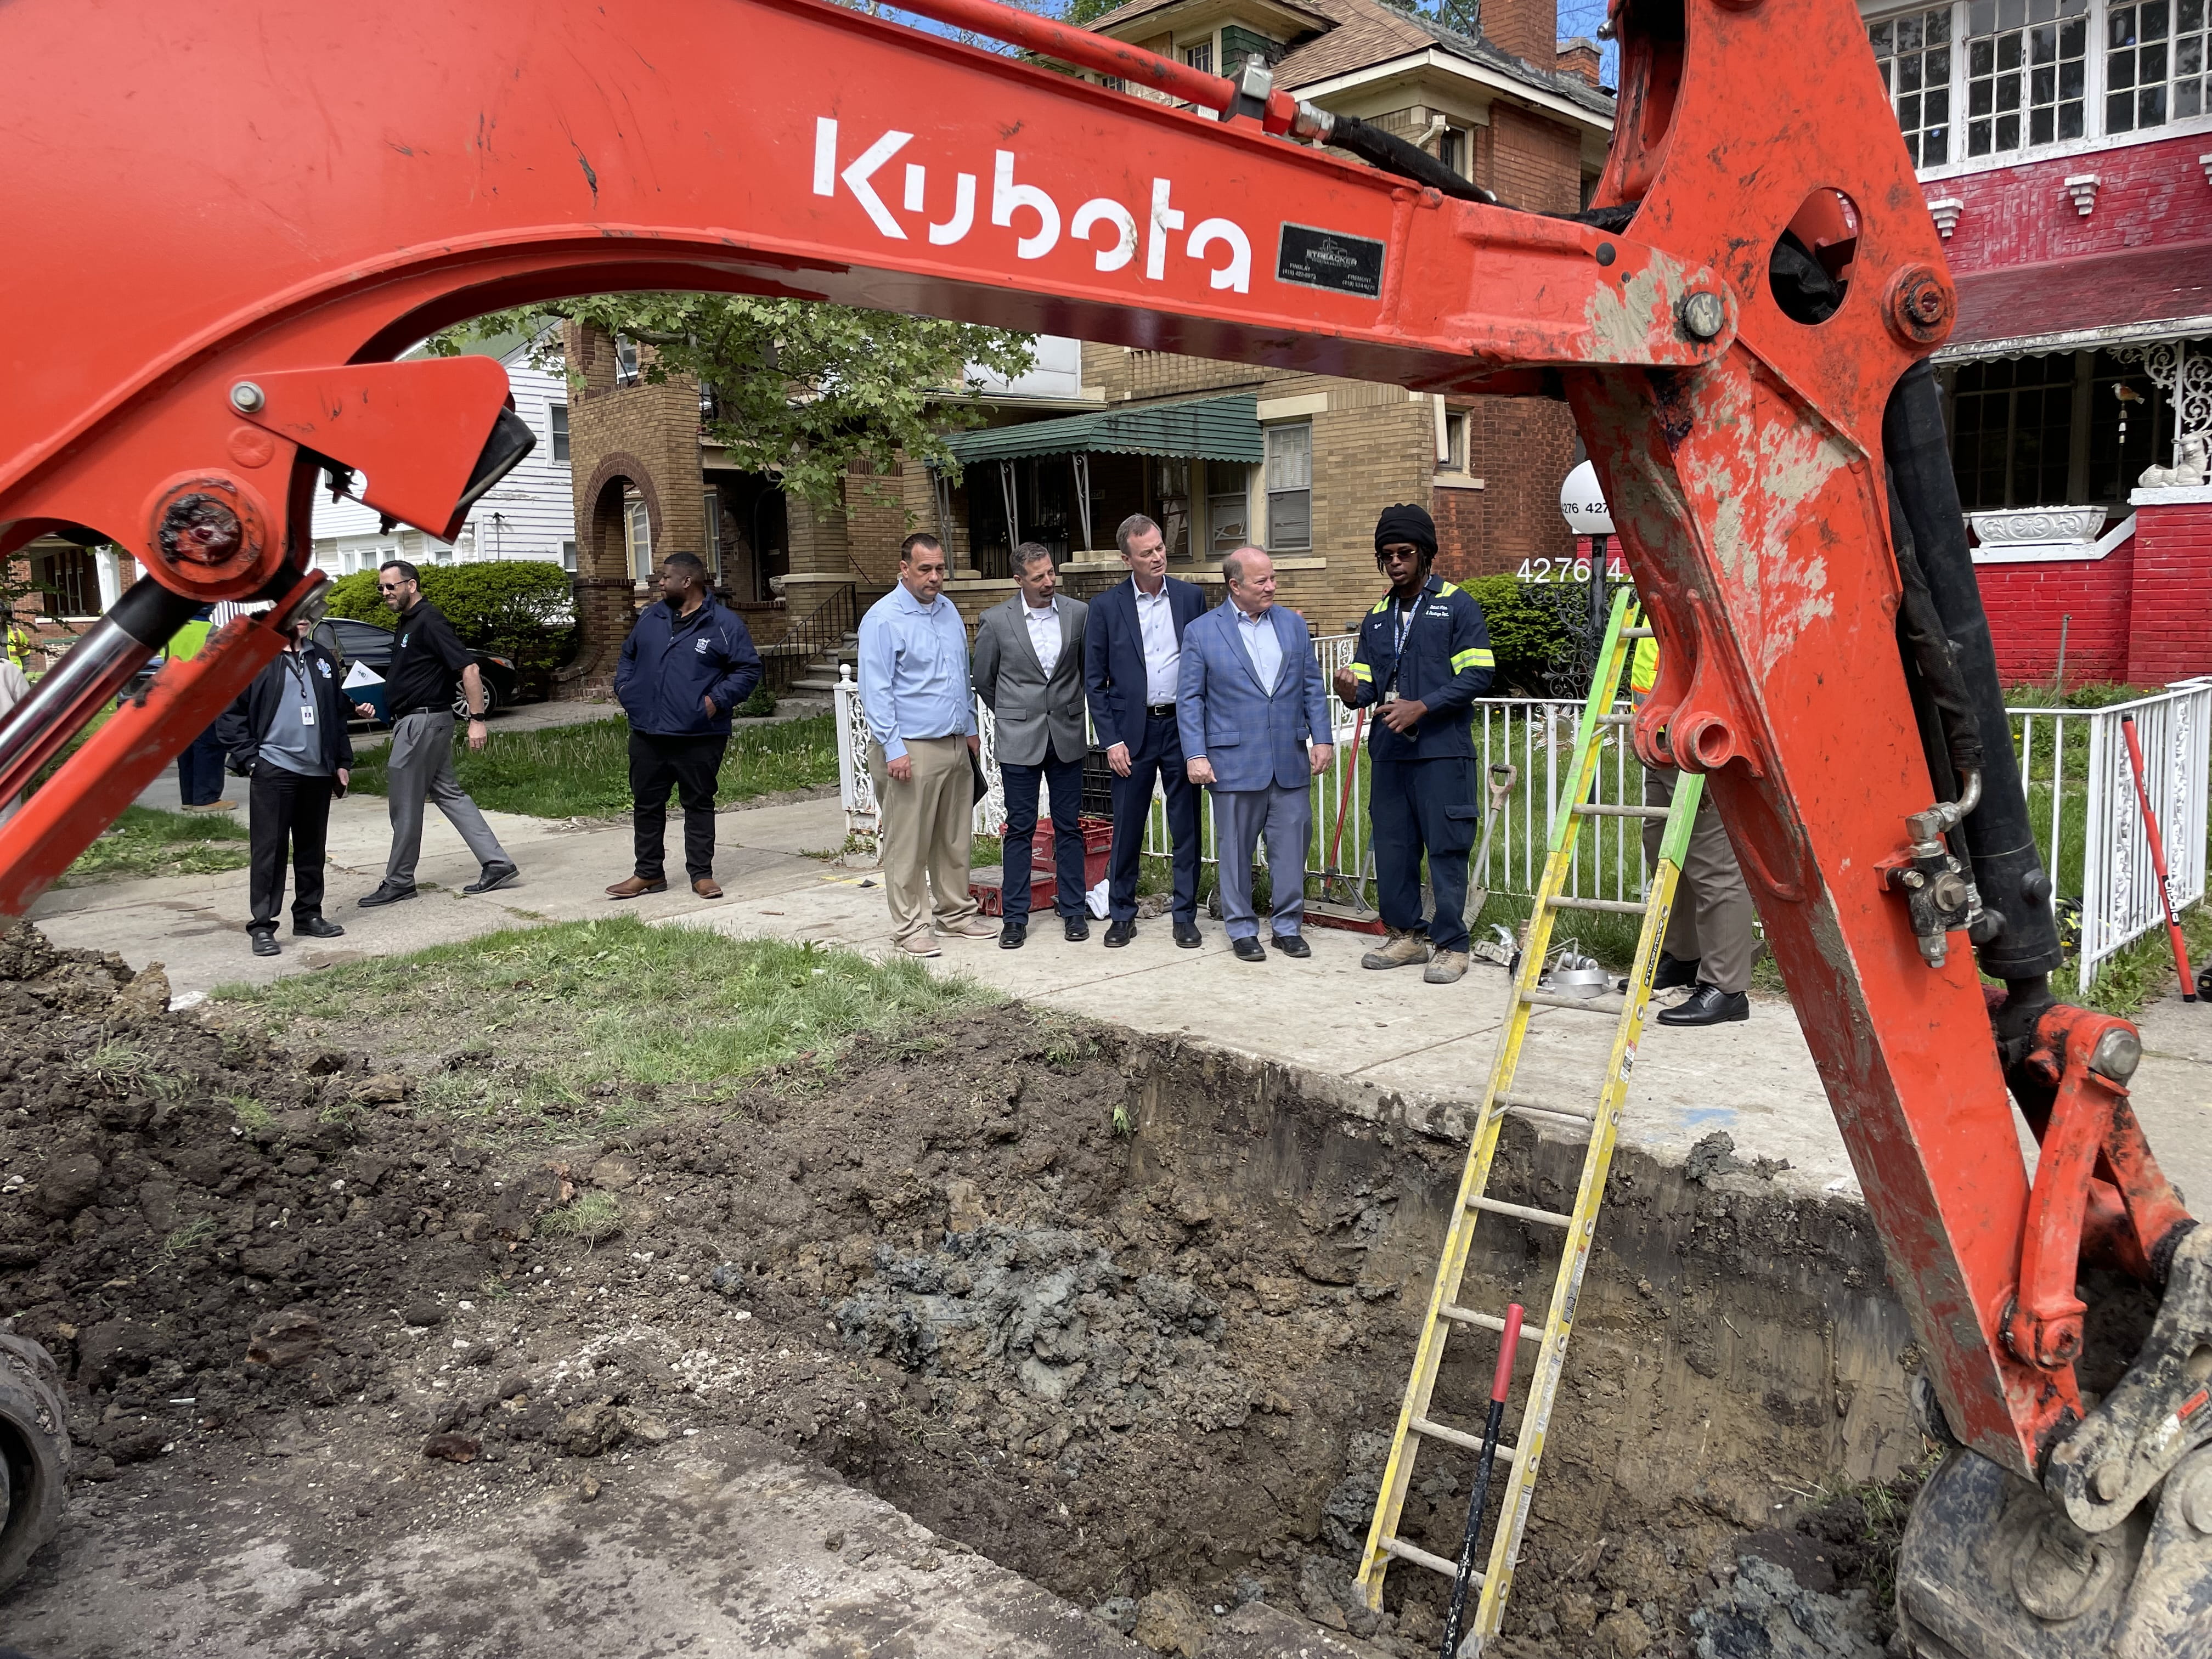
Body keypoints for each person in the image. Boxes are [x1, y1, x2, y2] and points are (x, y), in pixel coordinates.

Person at [1331, 504, 1497, 985]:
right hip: (1390, 753)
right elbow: (1364, 684)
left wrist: (1422, 706)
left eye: (1405, 553)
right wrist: (1349, 691)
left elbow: (1479, 672)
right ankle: (1405, 935)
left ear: (1425, 554)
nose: (1396, 563)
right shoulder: (1377, 616)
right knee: (1394, 846)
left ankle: (1452, 944)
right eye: (1387, 556)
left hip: (1442, 751)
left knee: (1447, 847)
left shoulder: (1456, 604)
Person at [1177, 548, 1331, 962]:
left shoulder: (1293, 626)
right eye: (1262, 581)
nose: (1272, 586)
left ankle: (1287, 926)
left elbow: (1312, 686)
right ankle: (1242, 928)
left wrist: (1323, 738)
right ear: (1235, 586)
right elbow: (1190, 700)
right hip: (1232, 761)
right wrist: (1196, 754)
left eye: (1273, 578)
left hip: (1288, 759)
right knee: (1234, 851)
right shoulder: (1202, 632)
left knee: (1291, 847)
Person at [857, 532, 994, 957]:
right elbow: (875, 690)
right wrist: (893, 748)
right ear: (904, 569)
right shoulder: (883, 619)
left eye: (940, 569)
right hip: (910, 748)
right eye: (925, 569)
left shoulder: (949, 610)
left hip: (953, 742)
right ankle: (910, 927)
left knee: (953, 838)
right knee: (908, 843)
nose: (935, 578)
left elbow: (959, 674)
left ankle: (955, 915)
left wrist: (969, 728)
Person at [357, 560, 519, 906]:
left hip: (422, 723)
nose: (385, 593)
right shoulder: (409, 622)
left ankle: (399, 880)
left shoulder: (429, 620)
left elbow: (469, 668)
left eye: (391, 586)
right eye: (381, 587)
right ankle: (497, 862)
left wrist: (477, 719)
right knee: (448, 793)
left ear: (411, 586)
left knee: (405, 803)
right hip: (419, 721)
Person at [1082, 513, 1208, 949]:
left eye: (1160, 548)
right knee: (1128, 827)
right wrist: (1111, 739)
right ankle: (1121, 914)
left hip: (1181, 727)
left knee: (1186, 825)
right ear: (1126, 559)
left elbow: (1204, 665)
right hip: (1131, 733)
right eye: (1147, 552)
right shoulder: (1105, 607)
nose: (1158, 557)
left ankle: (1185, 915)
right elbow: (1094, 682)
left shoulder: (1192, 598)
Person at [607, 552, 763, 901]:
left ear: (687, 581)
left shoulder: (724, 623)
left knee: (698, 802)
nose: (659, 583)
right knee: (647, 803)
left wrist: (713, 703)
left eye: (665, 577)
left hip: (699, 734)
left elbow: (748, 670)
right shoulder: (651, 617)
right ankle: (648, 873)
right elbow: (628, 654)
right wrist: (625, 688)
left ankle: (702, 875)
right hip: (648, 730)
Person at [215, 611, 372, 956]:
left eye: (307, 615)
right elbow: (230, 715)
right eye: (294, 614)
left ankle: (308, 914)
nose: (302, 620)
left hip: (317, 770)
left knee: (311, 848)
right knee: (269, 850)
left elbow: (333, 714)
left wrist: (341, 762)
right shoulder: (254, 659)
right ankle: (262, 926)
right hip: (274, 768)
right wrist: (252, 760)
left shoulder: (322, 658)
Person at [1628, 618, 1757, 1025]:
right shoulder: (1660, 591)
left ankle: (1727, 987)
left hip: (1699, 740)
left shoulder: (1699, 587)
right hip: (1660, 739)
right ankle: (1685, 957)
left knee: (1714, 865)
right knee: (1666, 856)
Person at [973, 542, 1091, 949]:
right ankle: (1015, 918)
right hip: (1019, 738)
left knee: (1069, 826)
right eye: (1038, 576)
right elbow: (985, 680)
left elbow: (1085, 671)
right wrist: (1014, 713)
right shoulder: (996, 621)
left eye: (1051, 573)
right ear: (1019, 579)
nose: (1048, 582)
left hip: (1068, 735)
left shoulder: (1078, 614)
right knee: (1020, 828)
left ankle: (1075, 910)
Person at [167, 606, 234, 814]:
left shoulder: (173, 632)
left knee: (186, 749)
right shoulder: (213, 631)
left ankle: (189, 798)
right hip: (204, 697)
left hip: (176, 696)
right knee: (210, 746)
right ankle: (206, 798)